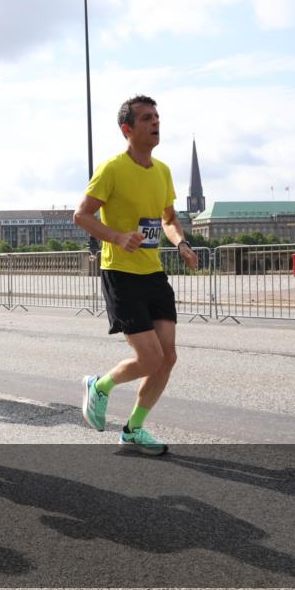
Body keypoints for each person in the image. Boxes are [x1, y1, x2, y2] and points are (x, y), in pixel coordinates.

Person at [73, 95, 198, 456]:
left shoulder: (163, 171)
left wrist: (181, 244)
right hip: (121, 273)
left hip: (153, 274)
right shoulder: (112, 169)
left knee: (167, 357)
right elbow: (81, 215)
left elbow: (169, 219)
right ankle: (99, 386)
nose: (155, 123)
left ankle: (133, 428)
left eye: (157, 117)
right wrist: (117, 237)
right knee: (149, 358)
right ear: (127, 129)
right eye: (146, 118)